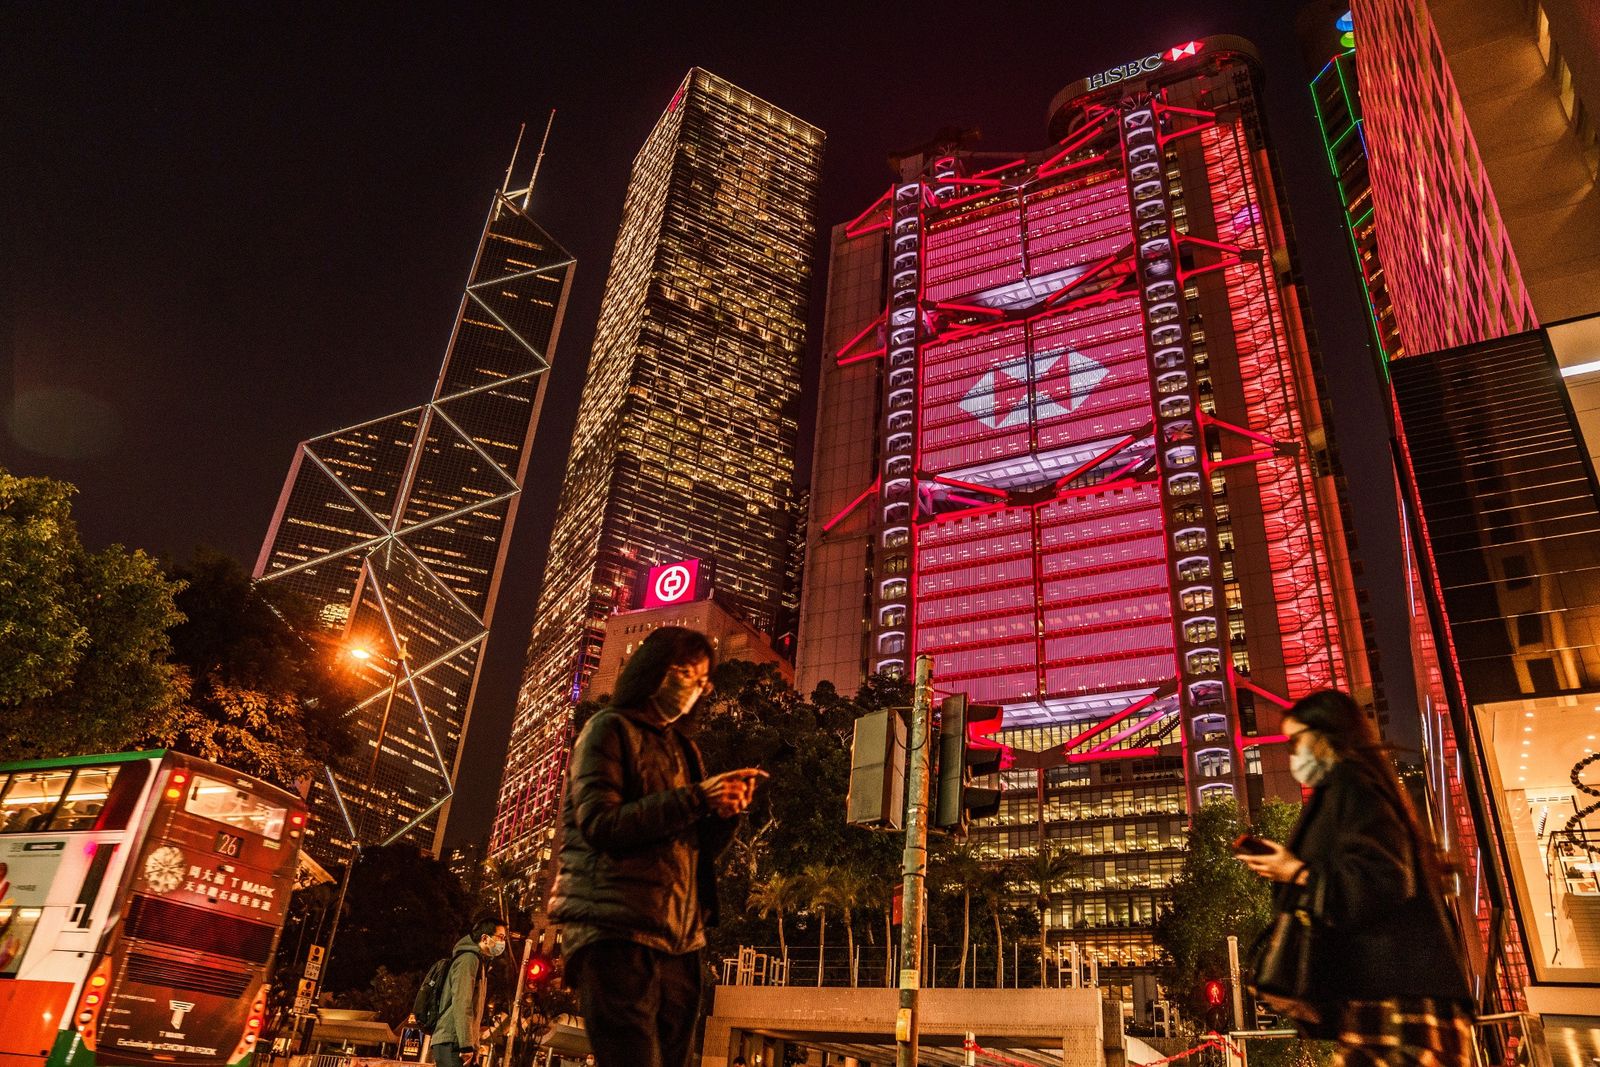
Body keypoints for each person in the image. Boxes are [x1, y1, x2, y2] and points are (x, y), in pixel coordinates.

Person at [549, 626, 766, 1067]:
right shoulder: (607, 729)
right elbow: (600, 825)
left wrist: (726, 814)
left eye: (703, 679)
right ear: (654, 670)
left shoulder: (685, 750)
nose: (694, 687)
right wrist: (698, 798)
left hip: (680, 942)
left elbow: (693, 851)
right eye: (685, 672)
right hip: (614, 930)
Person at [1236, 690, 1474, 1067]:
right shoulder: (1352, 786)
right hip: (1387, 991)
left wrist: (1295, 872)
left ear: (1325, 735)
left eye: (1296, 740)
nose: (1292, 753)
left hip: (1397, 995)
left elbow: (1385, 878)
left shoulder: (1351, 784)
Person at [430, 918, 507, 1067]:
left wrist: (474, 1046)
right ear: (485, 938)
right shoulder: (468, 959)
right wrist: (466, 1045)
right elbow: (462, 1002)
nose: (503, 943)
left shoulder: (479, 962)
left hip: (457, 1042)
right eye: (501, 937)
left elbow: (474, 1011)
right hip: (452, 1042)